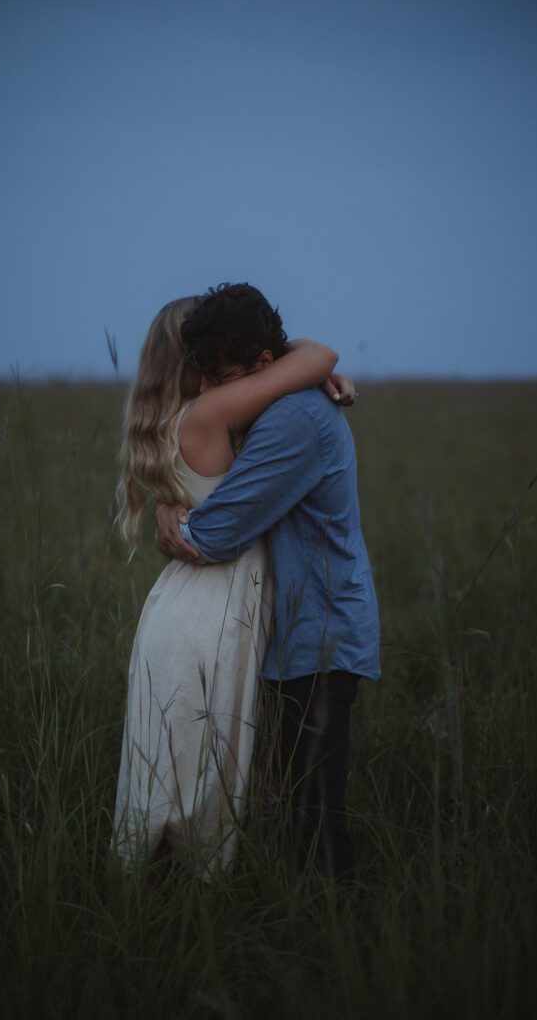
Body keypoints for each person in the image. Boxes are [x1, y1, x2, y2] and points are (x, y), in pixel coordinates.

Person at [112, 294, 342, 880]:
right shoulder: (213, 411)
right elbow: (319, 355)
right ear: (194, 359)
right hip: (213, 612)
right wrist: (321, 371)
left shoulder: (176, 420)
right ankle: (197, 905)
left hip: (176, 606)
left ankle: (148, 899)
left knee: (168, 774)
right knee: (203, 780)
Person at [156, 283, 381, 882]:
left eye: (221, 377)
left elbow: (216, 534)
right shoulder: (283, 400)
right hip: (299, 634)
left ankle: (335, 946)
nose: (208, 393)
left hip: (321, 638)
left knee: (315, 826)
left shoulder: (294, 419)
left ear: (263, 365)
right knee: (290, 811)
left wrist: (172, 520)